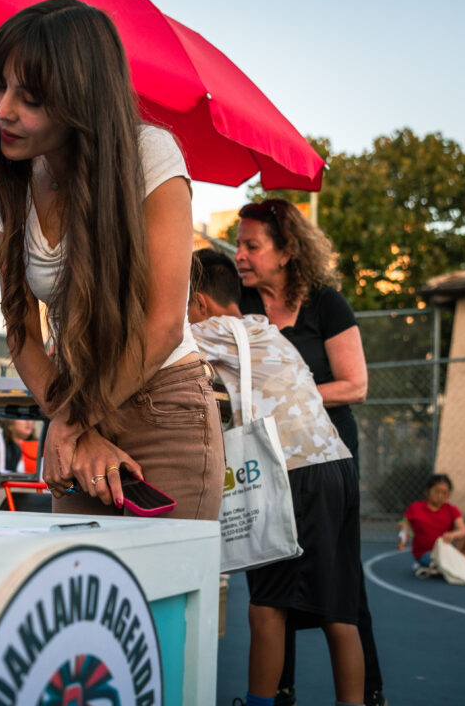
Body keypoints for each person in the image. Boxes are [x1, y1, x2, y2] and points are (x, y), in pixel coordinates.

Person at [0, 0, 224, 520]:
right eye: (0, 85)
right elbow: (21, 333)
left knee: (164, 597)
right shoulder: (12, 186)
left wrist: (70, 420)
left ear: (81, 99)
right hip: (78, 405)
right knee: (84, 594)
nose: (3, 109)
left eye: (31, 96)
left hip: (163, 404)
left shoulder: (149, 156)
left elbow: (163, 326)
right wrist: (72, 420)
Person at [189, 249, 364, 706]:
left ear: (199, 302)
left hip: (293, 472)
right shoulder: (265, 329)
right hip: (336, 463)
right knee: (339, 611)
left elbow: (146, 348)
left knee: (267, 605)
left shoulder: (209, 330)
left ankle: (259, 702)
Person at [234, 198, 382, 706]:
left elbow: (356, 385)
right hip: (266, 457)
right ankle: (280, 691)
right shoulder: (240, 303)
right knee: (271, 583)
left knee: (341, 587)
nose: (241, 255)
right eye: (238, 245)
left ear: (287, 250)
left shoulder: (325, 303)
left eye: (252, 246)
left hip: (324, 454)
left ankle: (370, 692)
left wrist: (289, 392)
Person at [401, 474, 465, 567]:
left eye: (445, 493)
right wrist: (403, 529)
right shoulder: (415, 507)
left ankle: (461, 564)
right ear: (427, 491)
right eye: (436, 492)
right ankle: (459, 566)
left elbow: (463, 530)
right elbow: (405, 522)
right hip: (426, 553)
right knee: (443, 562)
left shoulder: (452, 509)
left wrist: (453, 534)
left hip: (446, 550)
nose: (440, 496)